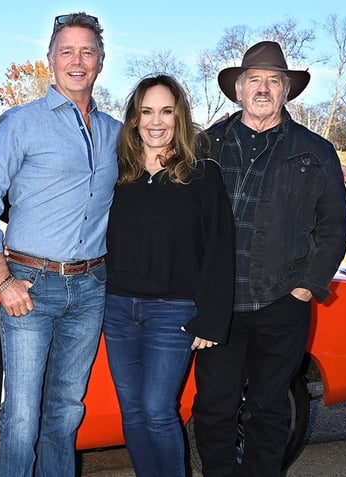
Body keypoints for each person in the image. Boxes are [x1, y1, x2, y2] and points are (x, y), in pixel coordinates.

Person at [0, 12, 120, 477]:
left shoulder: (116, 132)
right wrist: (3, 281)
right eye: (67, 51)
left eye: (87, 51)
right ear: (50, 60)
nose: (77, 61)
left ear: (101, 61)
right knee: (21, 415)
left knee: (67, 411)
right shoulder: (21, 124)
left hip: (91, 287)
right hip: (29, 287)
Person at [191, 41, 346, 477]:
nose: (263, 89)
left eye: (274, 81)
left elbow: (335, 226)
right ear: (239, 90)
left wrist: (306, 286)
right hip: (219, 309)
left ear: (285, 92)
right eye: (255, 81)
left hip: (281, 302)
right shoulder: (207, 145)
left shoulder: (316, 151)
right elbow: (185, 222)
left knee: (269, 409)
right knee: (213, 408)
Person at [103, 74, 235, 477]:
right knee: (132, 412)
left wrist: (211, 317)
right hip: (117, 309)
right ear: (134, 118)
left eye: (166, 112)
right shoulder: (116, 171)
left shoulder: (200, 174)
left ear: (179, 118)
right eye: (146, 111)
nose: (155, 122)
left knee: (158, 411)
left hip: (172, 313)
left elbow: (220, 248)